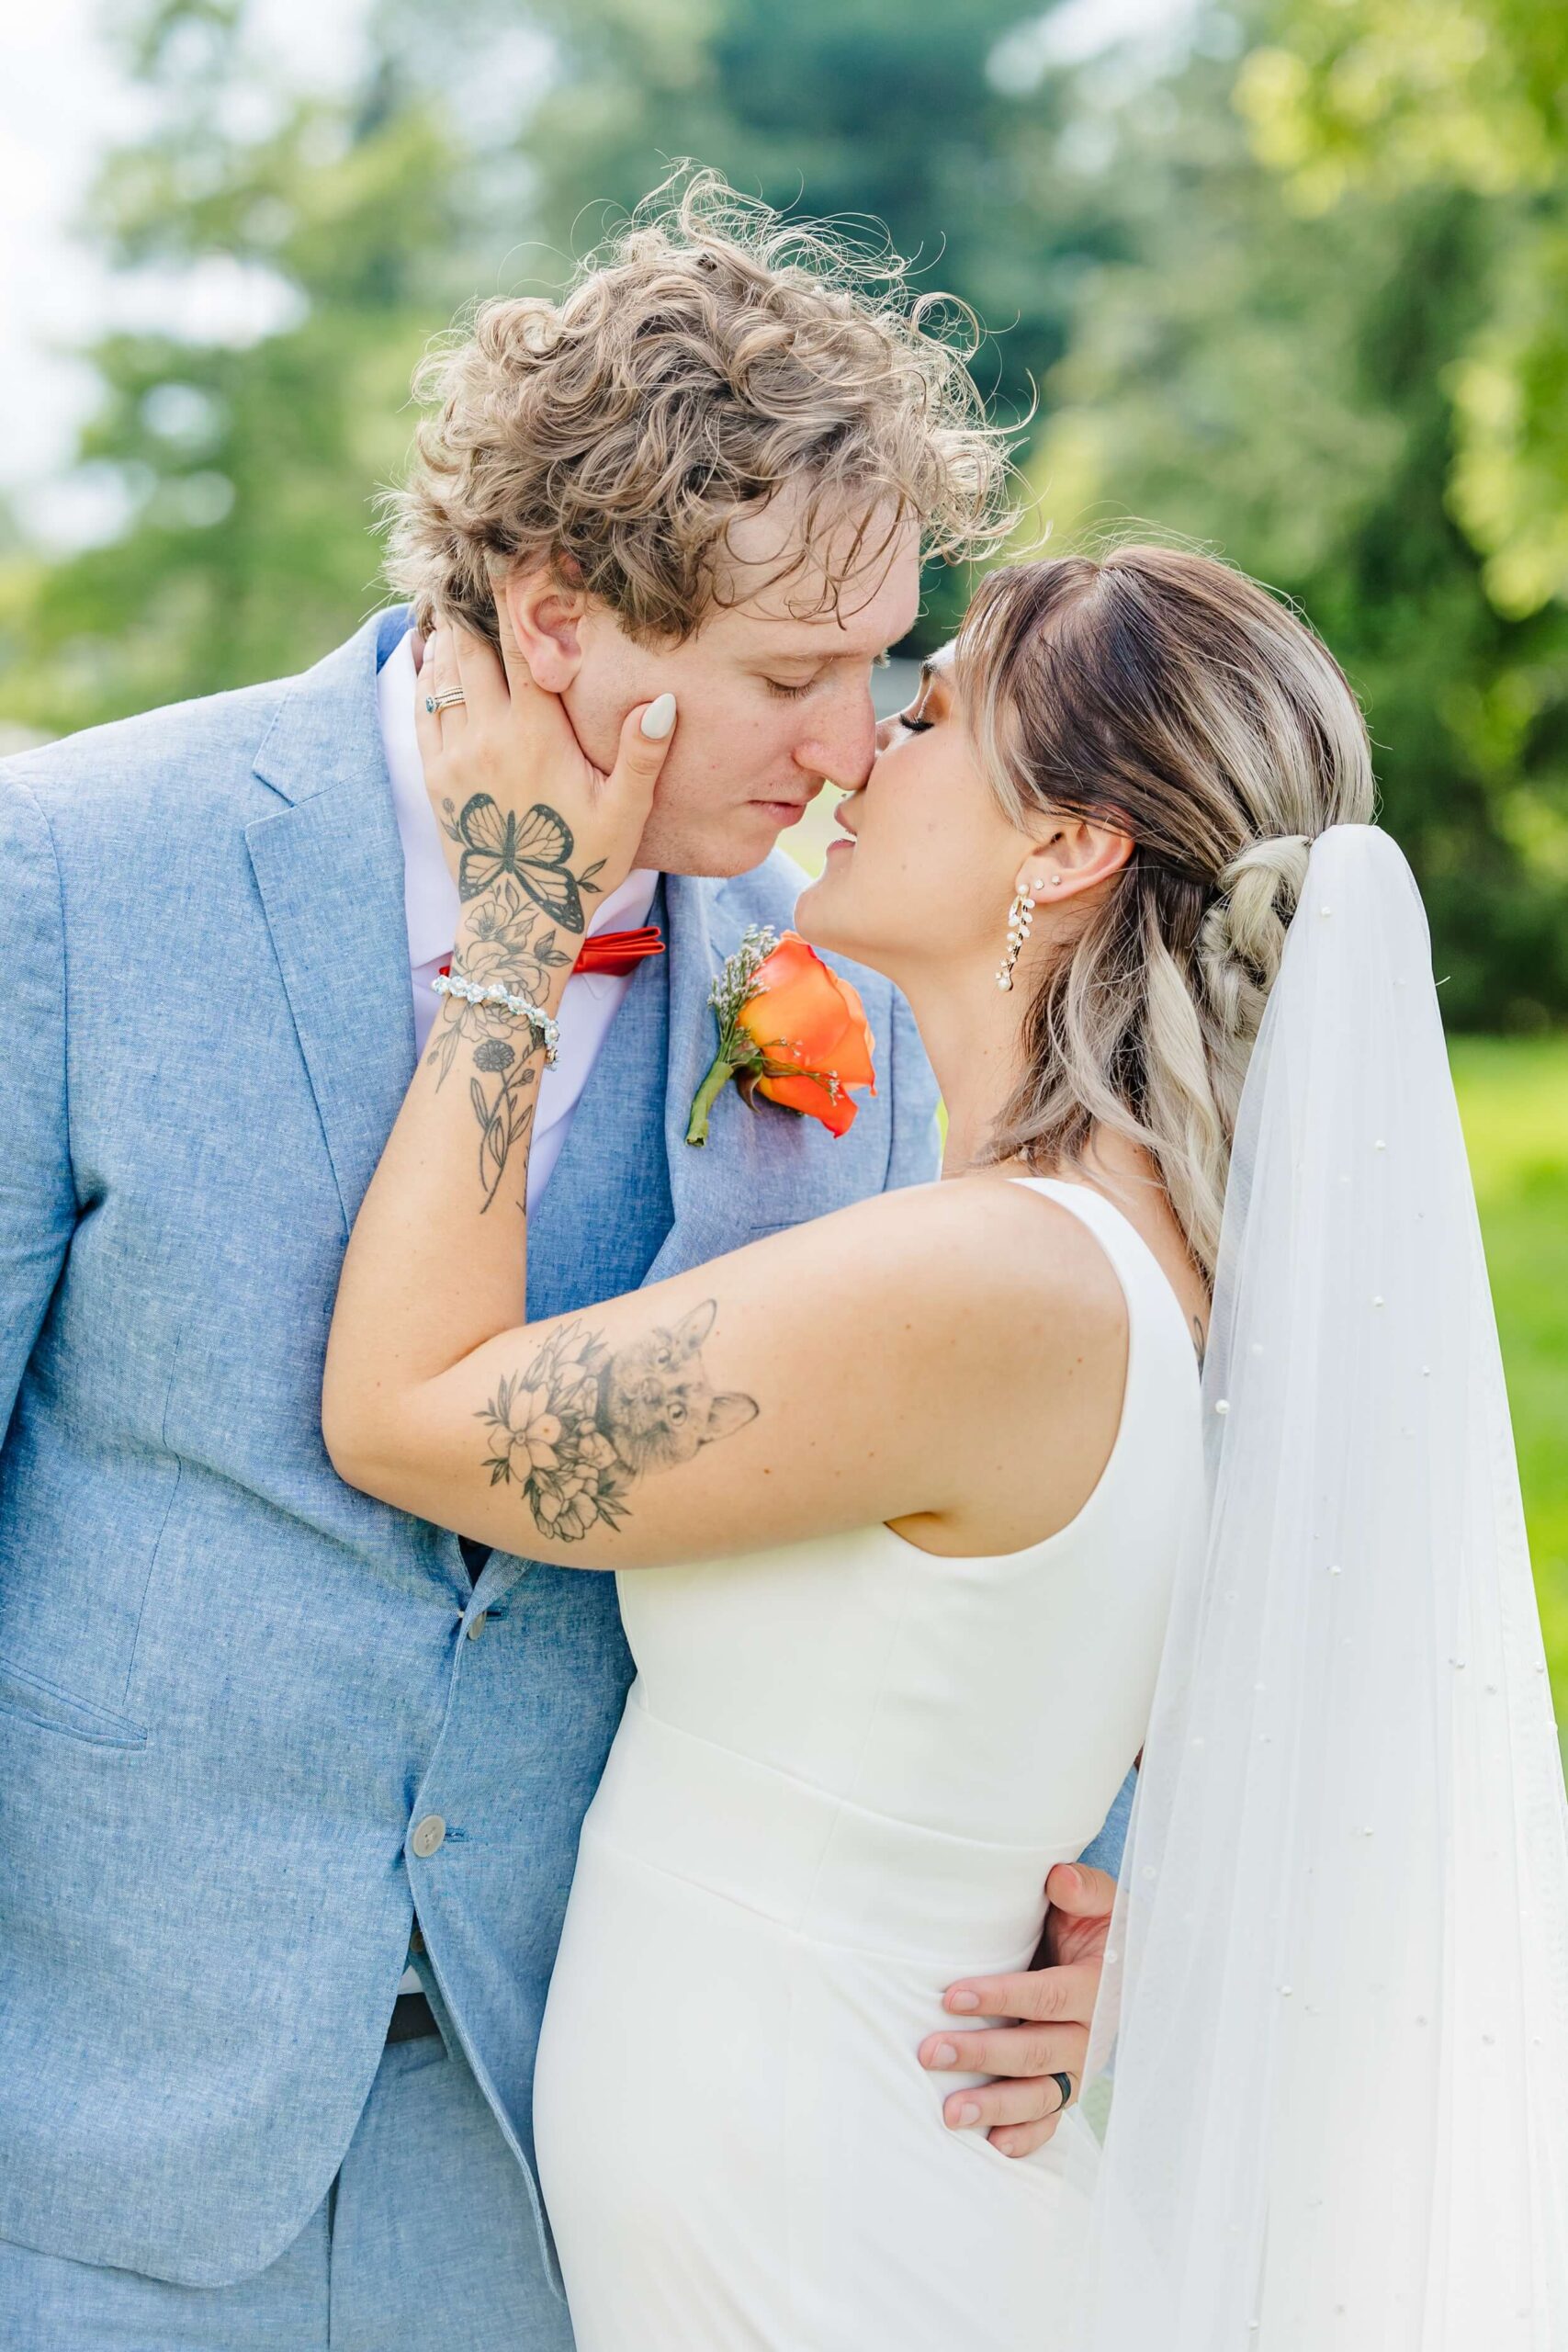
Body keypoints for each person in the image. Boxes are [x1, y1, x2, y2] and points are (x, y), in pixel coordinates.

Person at [0, 176, 1122, 2349]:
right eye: (791, 673)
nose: (849, 743)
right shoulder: (73, 876)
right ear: (554, 617)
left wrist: (1099, 1892)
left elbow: (998, 1473)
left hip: (566, 2156)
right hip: (82, 2146)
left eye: (883, 662)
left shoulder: (854, 987)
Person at [321, 537, 1389, 2347]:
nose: (850, 747)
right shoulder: (1124, 1260)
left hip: (839, 2246)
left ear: (1062, 847)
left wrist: (516, 927)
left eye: (929, 711)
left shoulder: (996, 1284)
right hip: (820, 2202)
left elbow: (407, 1410)